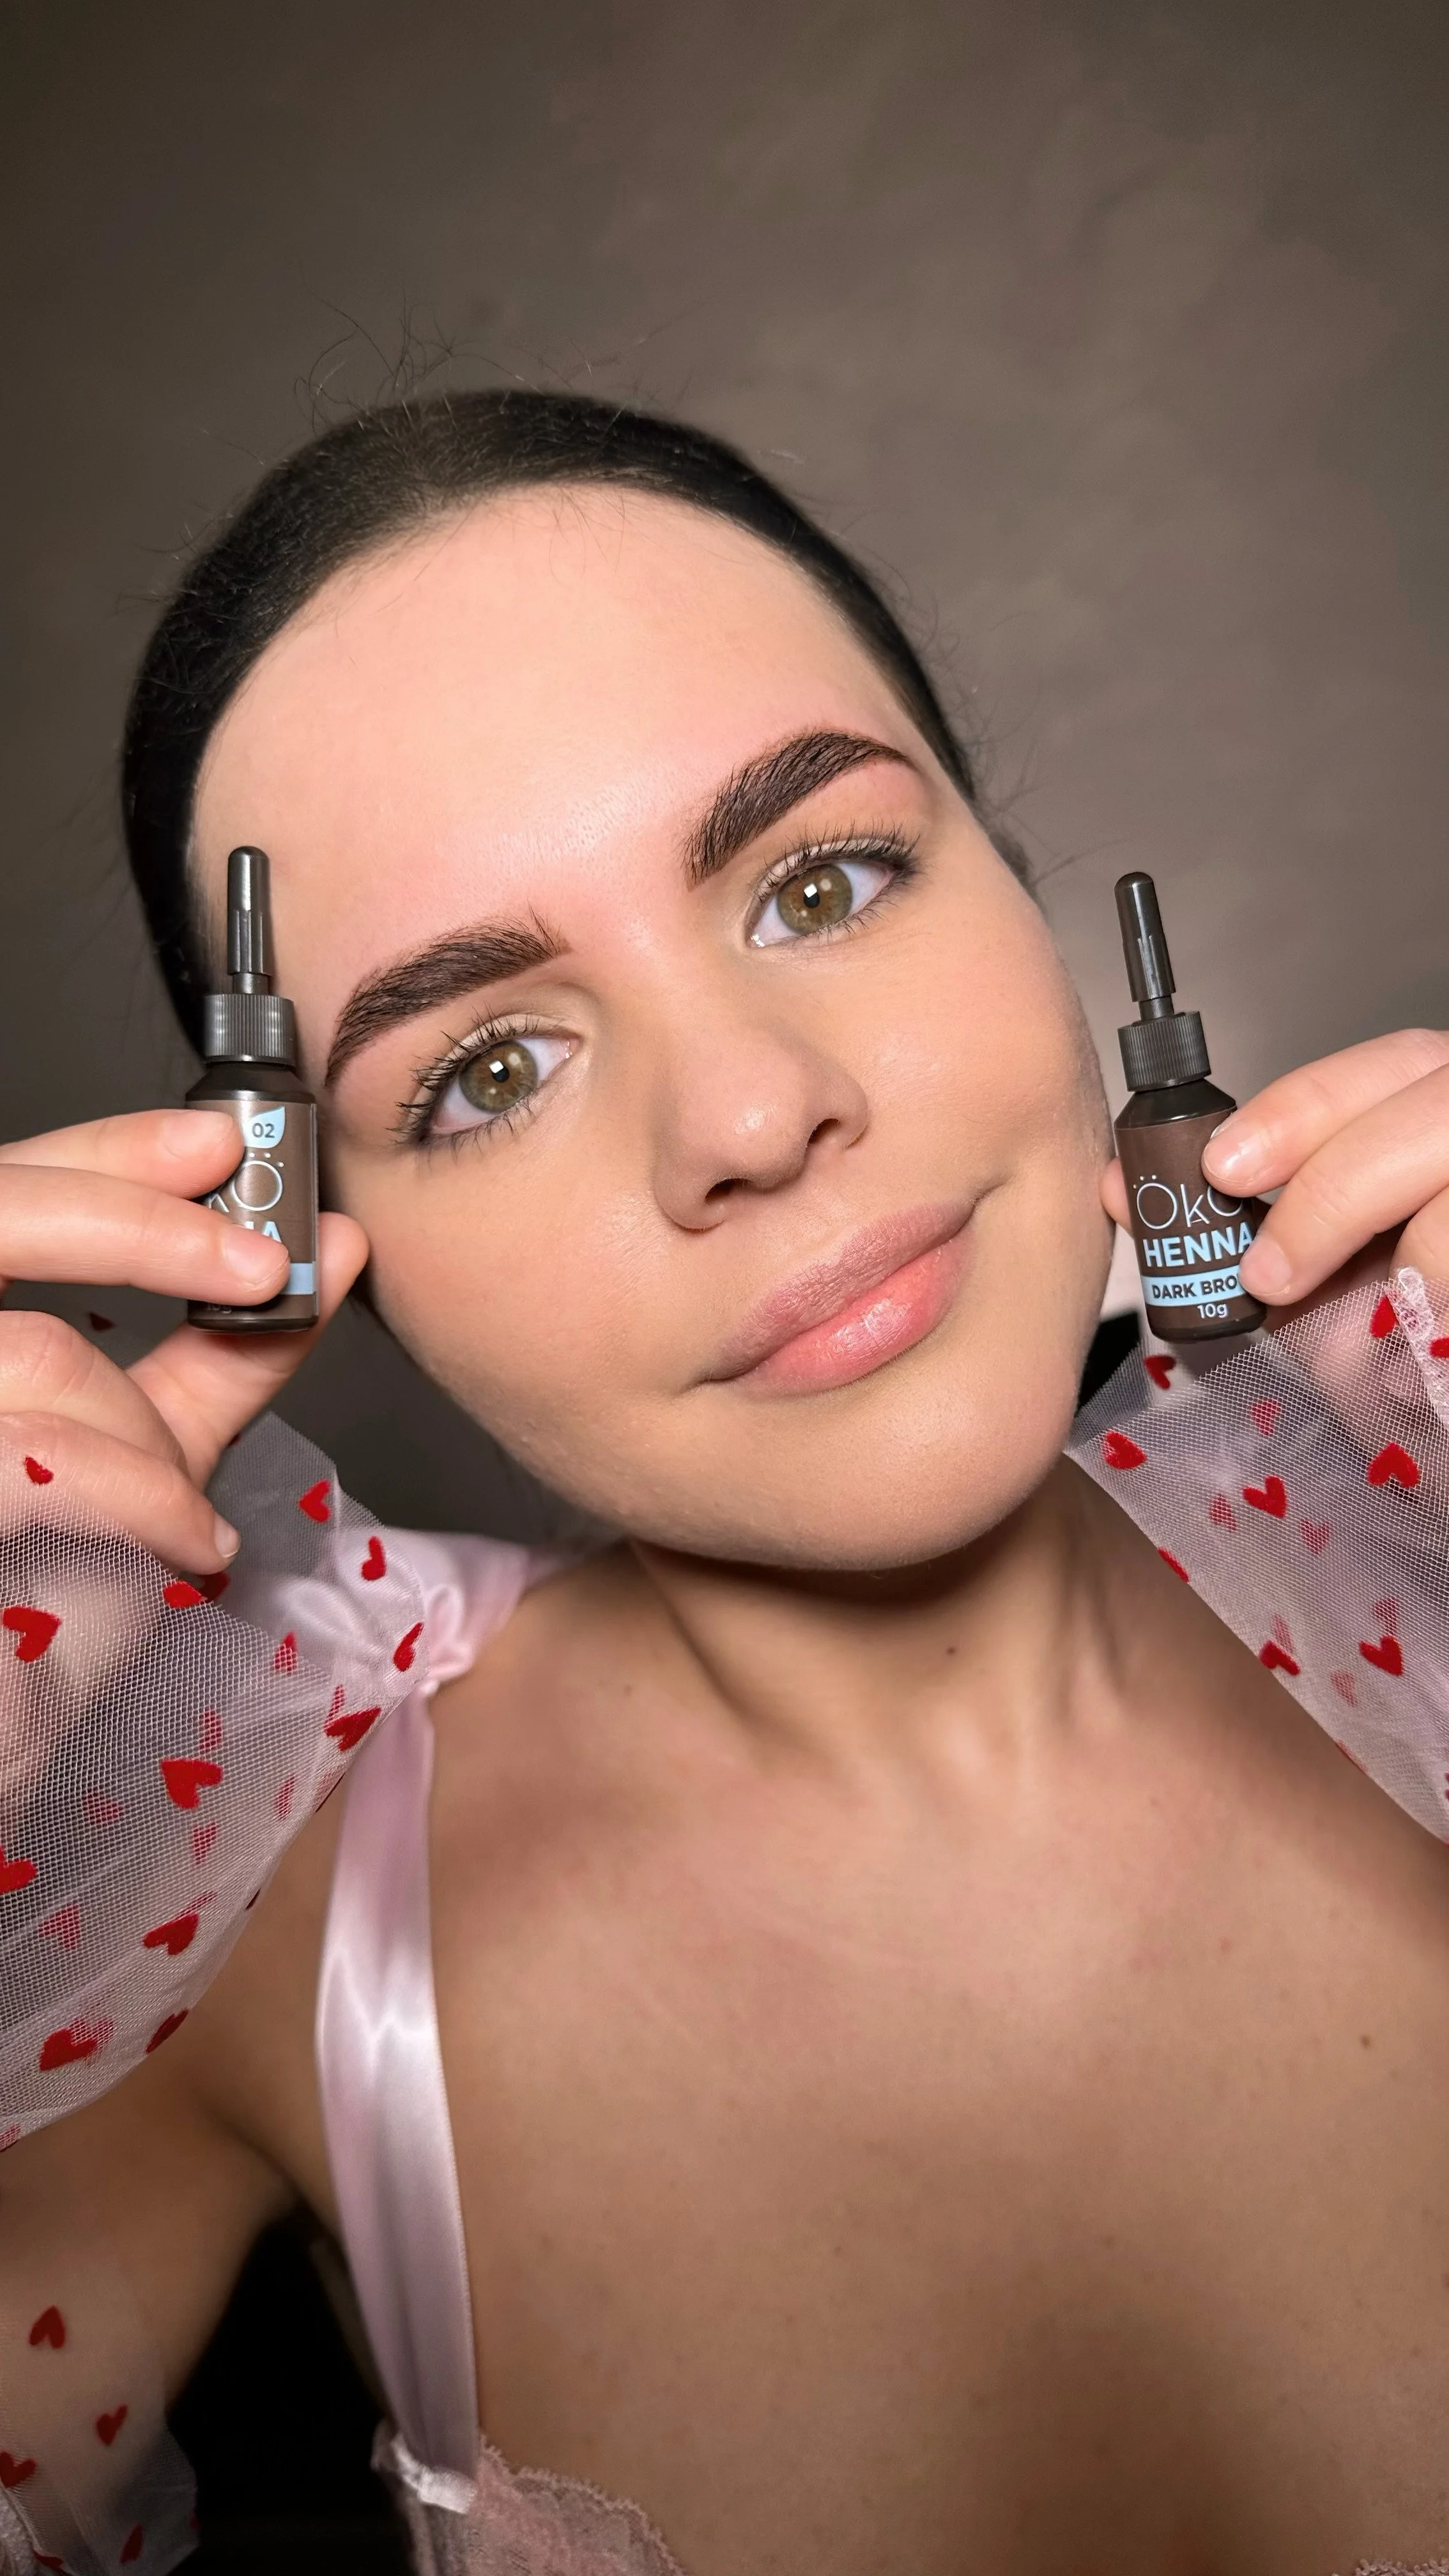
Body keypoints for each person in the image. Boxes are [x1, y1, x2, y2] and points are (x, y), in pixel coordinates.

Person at [1, 390, 1448, 2576]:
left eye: (825, 878)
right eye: (486, 1067)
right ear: (324, 1253)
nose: (754, 1115)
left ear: (1020, 892)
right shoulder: (233, 1941)